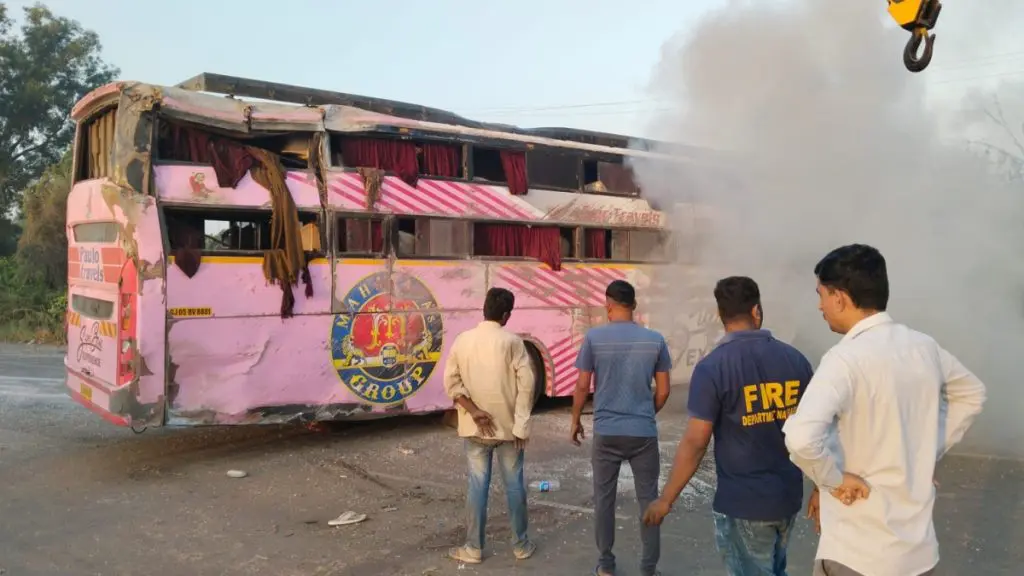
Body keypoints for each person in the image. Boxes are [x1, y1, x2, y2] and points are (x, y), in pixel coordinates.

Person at [783, 244, 987, 576]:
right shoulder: (923, 347)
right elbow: (972, 394)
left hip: (857, 554)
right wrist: (925, 453)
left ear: (840, 298)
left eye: (821, 294)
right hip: (919, 558)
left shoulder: (844, 359)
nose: (820, 306)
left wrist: (834, 480)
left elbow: (801, 439)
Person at [643, 276, 814, 576]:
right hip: (787, 499)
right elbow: (815, 430)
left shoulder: (712, 367)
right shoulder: (796, 360)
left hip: (743, 504)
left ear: (720, 315)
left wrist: (666, 498)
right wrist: (821, 488)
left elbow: (696, 442)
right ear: (756, 311)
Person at [570, 279, 672, 576]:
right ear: (634, 305)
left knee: (604, 501)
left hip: (607, 433)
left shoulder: (594, 338)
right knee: (648, 501)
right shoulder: (655, 339)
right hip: (643, 434)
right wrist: (646, 413)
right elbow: (664, 391)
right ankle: (648, 569)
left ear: (608, 305)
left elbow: (581, 385)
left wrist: (575, 419)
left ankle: (606, 565)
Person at [443, 287, 537, 565]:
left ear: (484, 309)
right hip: (509, 431)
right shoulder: (513, 342)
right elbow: (527, 385)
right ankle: (521, 545)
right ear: (506, 315)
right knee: (515, 487)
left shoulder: (462, 340)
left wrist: (474, 412)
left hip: (476, 430)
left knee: (477, 487)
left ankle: (473, 548)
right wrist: (521, 425)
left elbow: (452, 384)